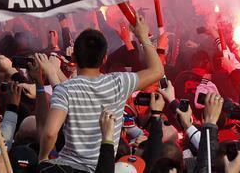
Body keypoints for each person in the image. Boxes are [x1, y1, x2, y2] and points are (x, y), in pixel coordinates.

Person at [39, 15, 165, 173]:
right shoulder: (119, 83)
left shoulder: (65, 89)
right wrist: (143, 37)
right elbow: (158, 71)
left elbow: (50, 133)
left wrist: (43, 158)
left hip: (66, 167)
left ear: (73, 58)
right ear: (104, 59)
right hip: (100, 168)